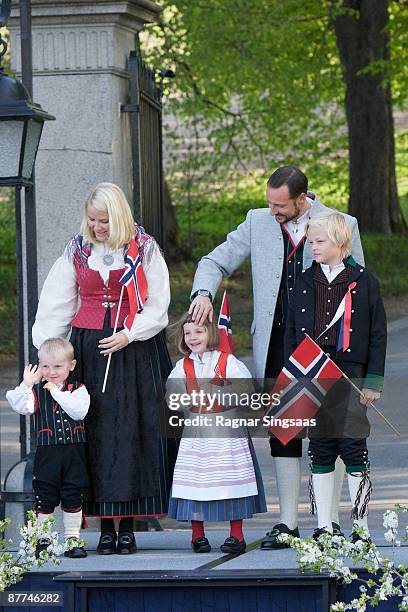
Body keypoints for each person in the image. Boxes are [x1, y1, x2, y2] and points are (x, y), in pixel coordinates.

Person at [189, 165, 365, 548]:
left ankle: (329, 524)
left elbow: (359, 289)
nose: (273, 211)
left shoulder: (340, 223)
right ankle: (287, 524)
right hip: (276, 343)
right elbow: (214, 261)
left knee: (327, 433)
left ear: (302, 198)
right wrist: (202, 292)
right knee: (282, 432)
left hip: (325, 348)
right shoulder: (257, 221)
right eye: (269, 203)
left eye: (281, 205)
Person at [32, 182, 177, 555]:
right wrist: (49, 354)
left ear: (120, 217)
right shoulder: (77, 251)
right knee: (90, 432)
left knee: (132, 433)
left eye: (104, 220)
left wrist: (130, 334)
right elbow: (57, 304)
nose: (97, 227)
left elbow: (158, 304)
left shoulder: (143, 249)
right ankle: (99, 529)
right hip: (87, 350)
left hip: (135, 350)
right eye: (93, 220)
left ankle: (127, 526)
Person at [284, 213, 386, 542]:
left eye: (319, 242)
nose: (312, 247)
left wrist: (372, 383)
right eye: (310, 242)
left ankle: (360, 527)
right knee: (322, 448)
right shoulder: (303, 281)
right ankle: (324, 526)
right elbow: (291, 333)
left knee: (354, 446)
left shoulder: (364, 281)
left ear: (341, 244)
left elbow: (377, 335)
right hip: (312, 373)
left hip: (351, 373)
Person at [166, 313, 267, 554]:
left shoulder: (228, 361)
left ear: (211, 333)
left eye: (198, 332)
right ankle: (197, 535)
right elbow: (171, 396)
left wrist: (215, 389)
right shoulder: (183, 365)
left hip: (227, 433)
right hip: (196, 434)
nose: (192, 337)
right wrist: (184, 397)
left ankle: (236, 535)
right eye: (188, 333)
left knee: (232, 482)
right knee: (195, 482)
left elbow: (246, 389)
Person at [6, 338, 90, 559]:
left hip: (74, 452)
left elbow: (78, 412)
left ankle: (73, 538)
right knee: (45, 495)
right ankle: (44, 539)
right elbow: (19, 405)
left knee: (73, 492)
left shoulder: (78, 389)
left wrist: (56, 392)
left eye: (57, 366)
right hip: (47, 453)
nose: (51, 372)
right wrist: (26, 384)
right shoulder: (35, 392)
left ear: (71, 366)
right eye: (45, 366)